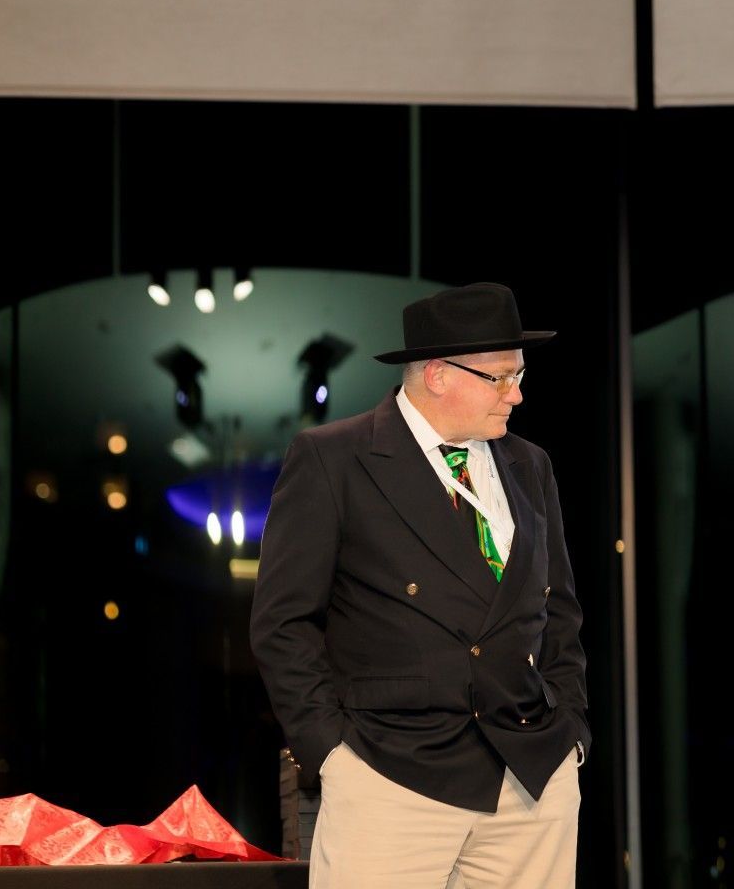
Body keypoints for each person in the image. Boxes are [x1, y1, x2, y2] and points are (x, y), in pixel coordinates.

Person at [251, 282, 588, 889]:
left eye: (519, 374)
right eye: (500, 377)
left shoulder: (530, 465)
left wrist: (571, 735)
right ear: (436, 374)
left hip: (530, 777)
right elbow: (283, 623)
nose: (517, 392)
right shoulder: (335, 458)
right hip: (390, 777)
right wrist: (332, 755)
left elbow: (559, 611)